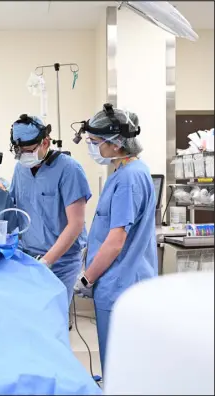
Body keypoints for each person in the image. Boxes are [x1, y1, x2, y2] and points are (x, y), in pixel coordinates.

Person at [73, 104, 157, 374]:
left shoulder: (129, 179)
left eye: (96, 142)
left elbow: (116, 241)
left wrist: (87, 278)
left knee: (120, 366)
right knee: (124, 362)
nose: (92, 147)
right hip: (124, 282)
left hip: (120, 285)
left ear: (116, 144)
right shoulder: (128, 172)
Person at [9, 114, 92, 307]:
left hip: (61, 262)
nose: (23, 156)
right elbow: (15, 208)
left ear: (45, 142)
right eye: (19, 151)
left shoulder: (69, 169)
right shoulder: (20, 169)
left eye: (28, 150)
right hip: (28, 257)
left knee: (53, 319)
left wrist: (47, 261)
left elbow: (76, 224)